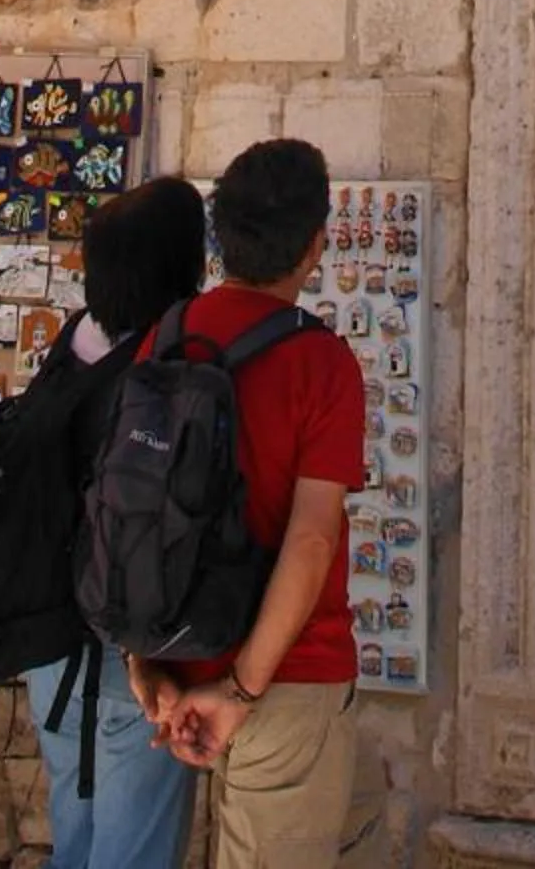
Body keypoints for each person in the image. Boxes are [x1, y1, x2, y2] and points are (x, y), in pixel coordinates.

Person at [133, 139, 375, 869]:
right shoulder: (321, 363)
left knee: (359, 826)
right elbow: (310, 542)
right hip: (285, 679)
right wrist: (240, 692)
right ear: (314, 246)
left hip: (182, 659)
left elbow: (128, 507)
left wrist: (142, 662)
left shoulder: (166, 338)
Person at [24, 173, 210, 869]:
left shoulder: (68, 351)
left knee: (75, 834)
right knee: (134, 848)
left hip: (51, 648)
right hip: (131, 656)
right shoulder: (163, 376)